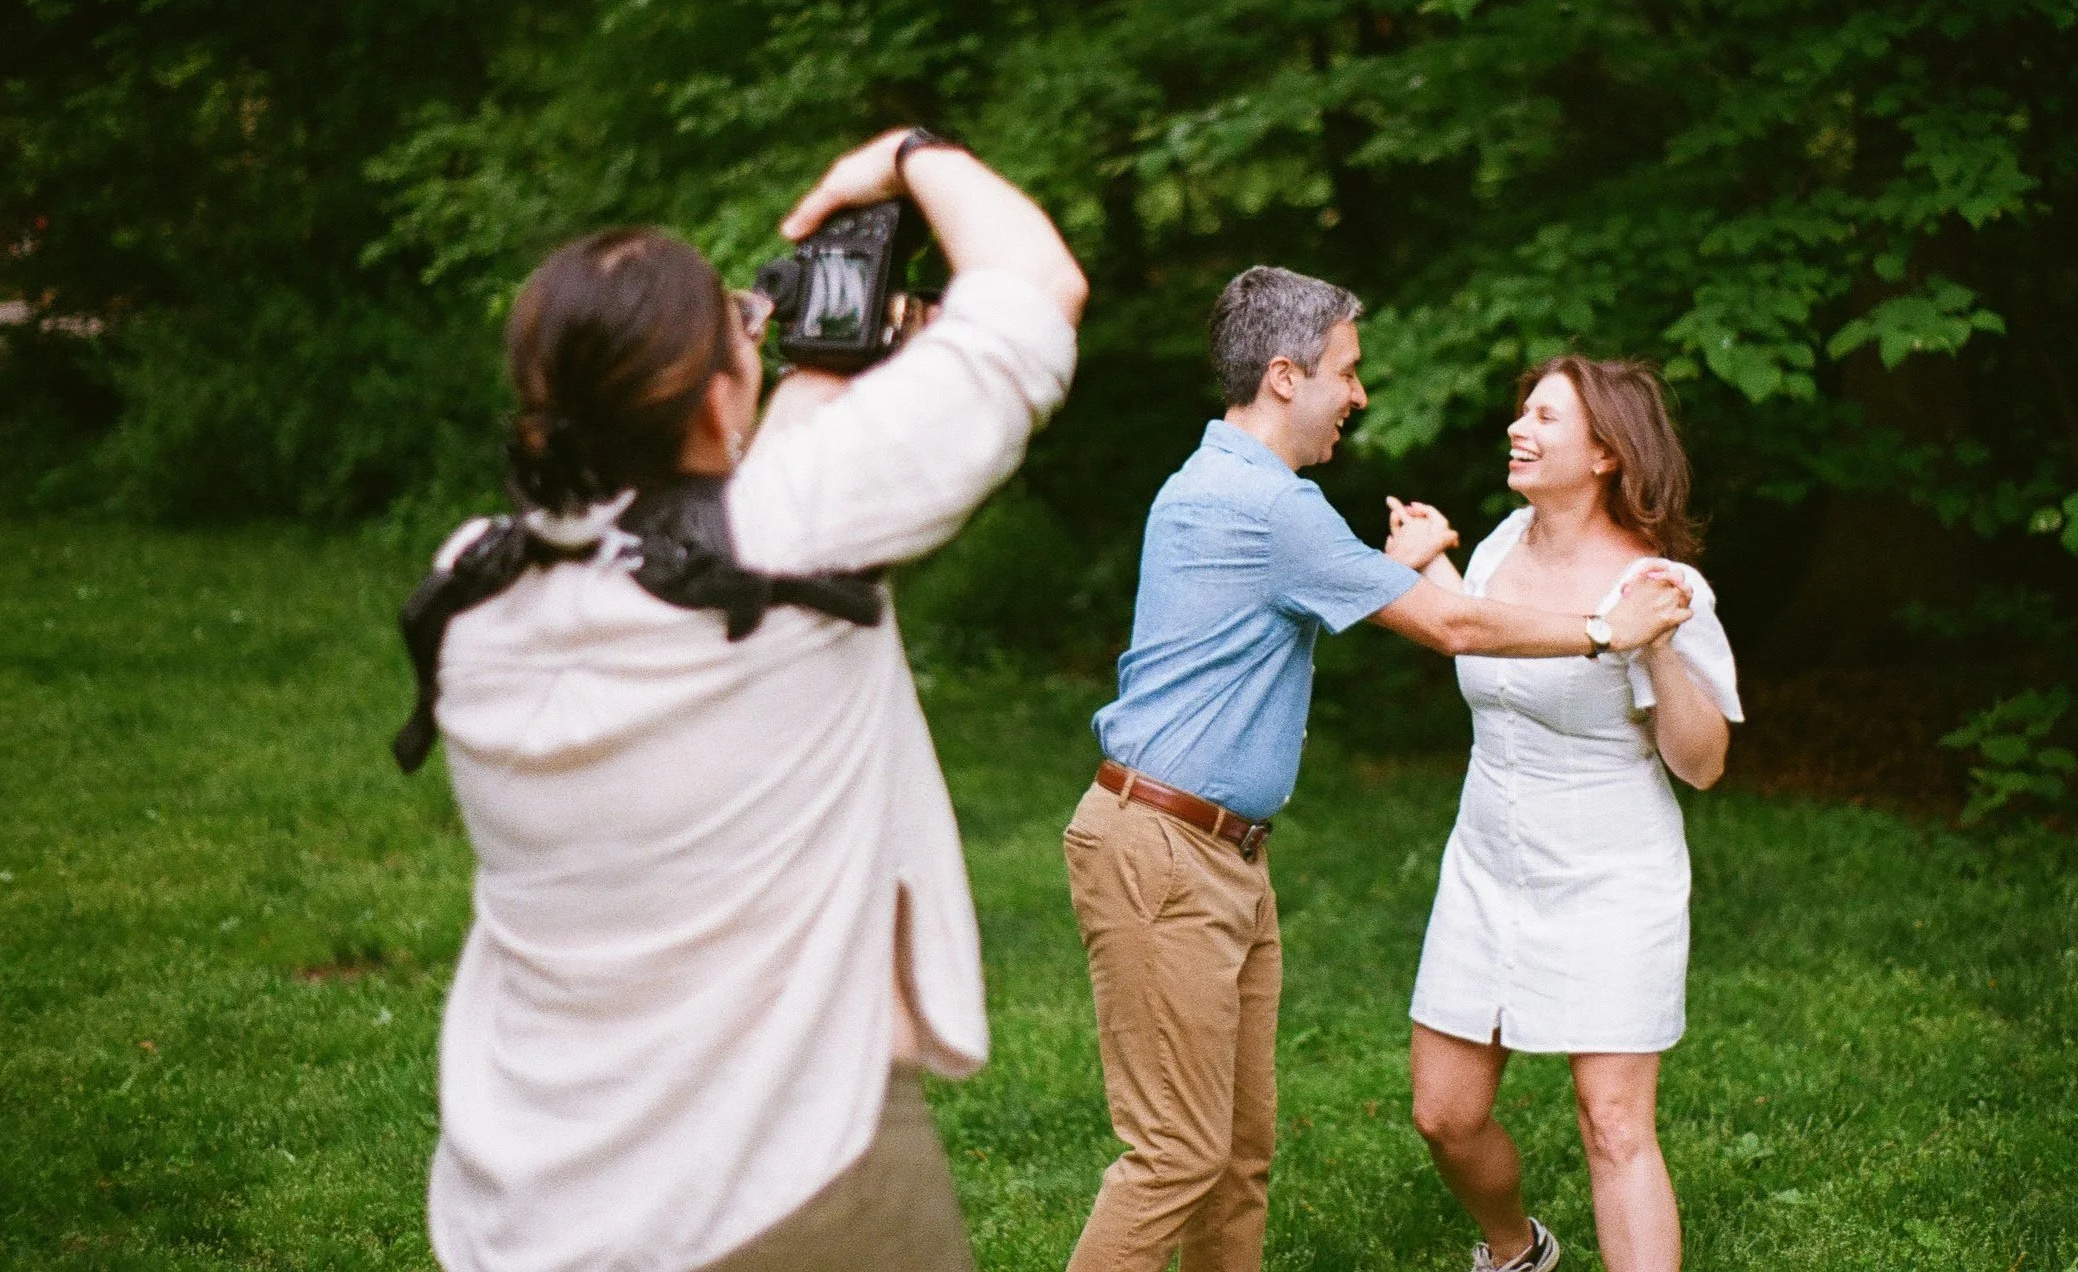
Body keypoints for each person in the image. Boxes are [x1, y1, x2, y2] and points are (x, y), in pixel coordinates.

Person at [412, 129, 1086, 1272]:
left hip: (529, 1194)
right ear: (724, 396)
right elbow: (1036, 288)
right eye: (743, 326)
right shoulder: (789, 541)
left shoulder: (475, 584)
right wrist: (913, 157)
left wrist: (817, 372)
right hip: (782, 1180)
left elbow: (721, 511)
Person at [1064, 268, 1693, 1272]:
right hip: (1166, 852)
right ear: (1284, 376)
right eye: (1346, 372)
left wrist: (1401, 565)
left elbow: (1311, 608)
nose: (1357, 394)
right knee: (1176, 1154)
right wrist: (1599, 628)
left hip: (1216, 854)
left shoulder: (1241, 490)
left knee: (1233, 1156)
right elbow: (1449, 623)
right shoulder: (1266, 503)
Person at [1401, 357, 1742, 1272]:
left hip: (1610, 875)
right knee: (1445, 1113)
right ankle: (1518, 1252)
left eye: (1546, 417)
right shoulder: (1505, 542)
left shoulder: (1661, 583)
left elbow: (1703, 764)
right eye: (1524, 410)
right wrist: (1430, 557)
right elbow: (1486, 637)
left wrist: (1660, 649)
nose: (1521, 426)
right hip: (1484, 864)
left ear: (1603, 453)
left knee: (1615, 1123)